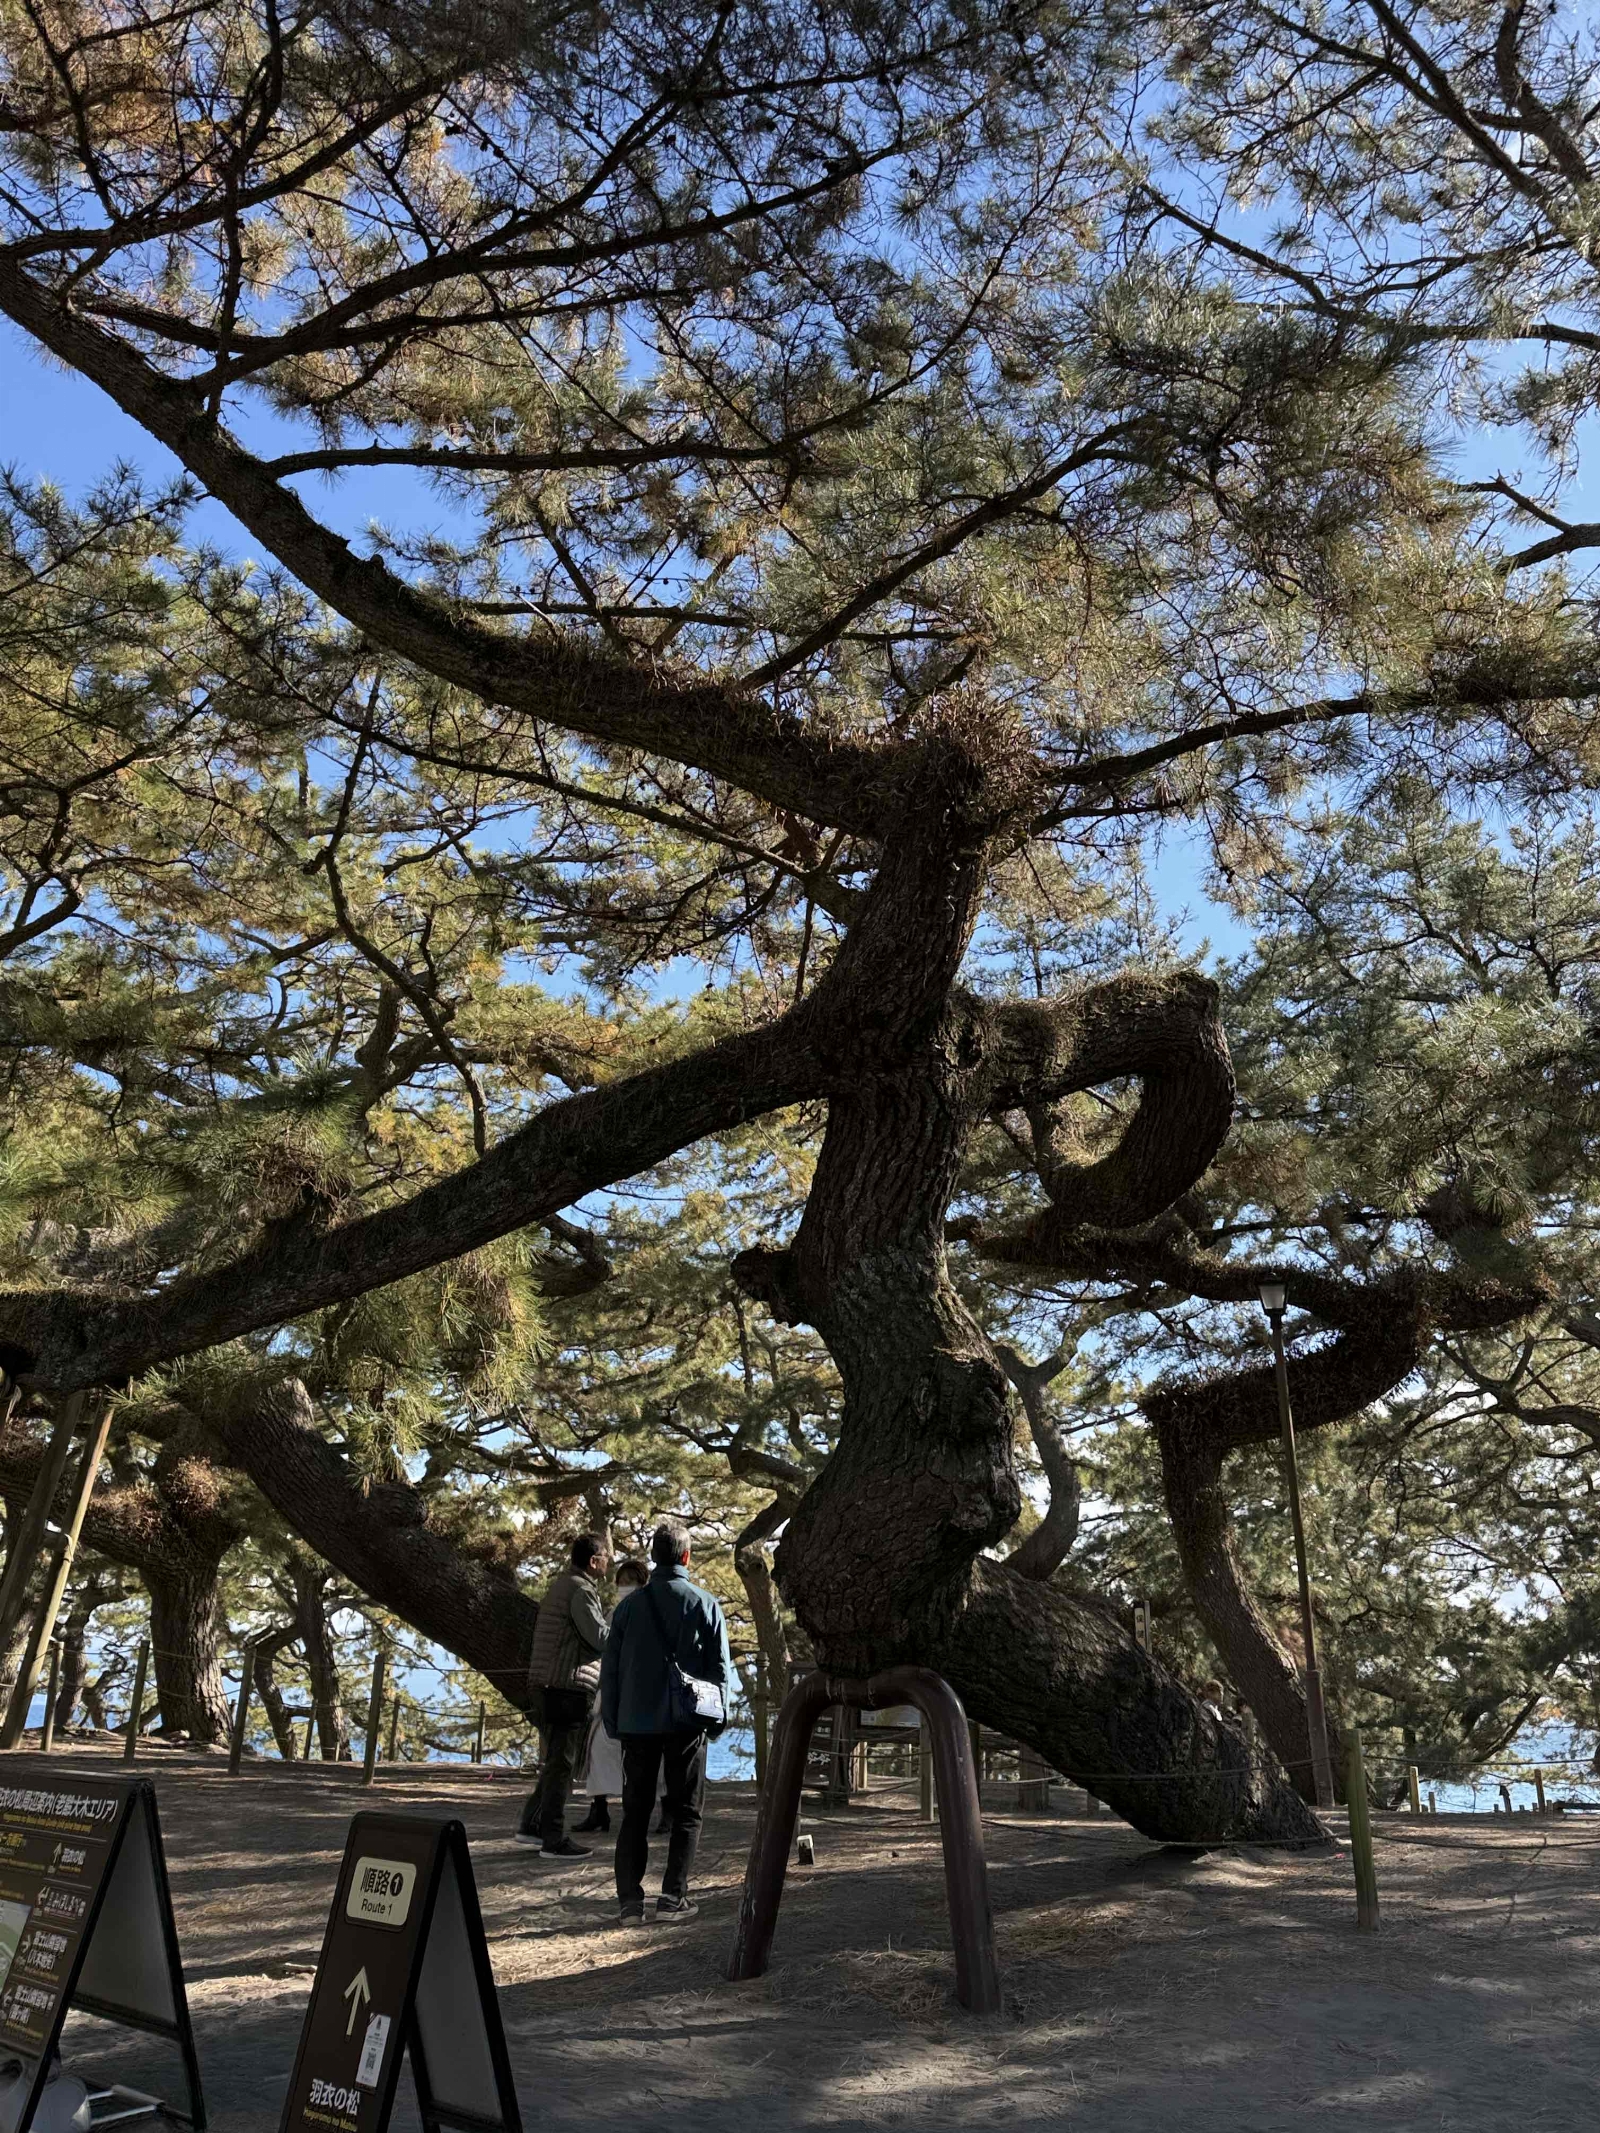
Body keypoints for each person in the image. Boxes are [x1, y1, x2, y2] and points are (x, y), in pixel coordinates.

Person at [600, 1518, 732, 1926]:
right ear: (686, 1557)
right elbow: (720, 1671)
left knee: (635, 1813)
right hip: (687, 1723)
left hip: (636, 1723)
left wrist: (613, 1721)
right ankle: (673, 1897)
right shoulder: (705, 1604)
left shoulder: (628, 1609)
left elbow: (610, 1670)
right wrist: (717, 1721)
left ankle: (629, 1903)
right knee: (686, 1812)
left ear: (653, 1558)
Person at [515, 1532, 611, 1858]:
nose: (608, 1562)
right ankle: (553, 1839)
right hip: (565, 1688)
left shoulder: (562, 1585)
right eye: (605, 1557)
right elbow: (598, 1637)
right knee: (562, 1765)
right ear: (593, 1561)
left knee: (556, 1760)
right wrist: (622, 1629)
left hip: (547, 1685)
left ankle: (532, 1825)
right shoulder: (581, 1590)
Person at [572, 1557, 650, 1832]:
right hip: (611, 1691)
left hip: (641, 1693)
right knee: (599, 1748)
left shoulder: (651, 1614)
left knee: (649, 1756)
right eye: (622, 1582)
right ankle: (599, 1808)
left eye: (632, 1582)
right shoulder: (612, 1614)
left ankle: (662, 1811)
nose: (626, 1586)